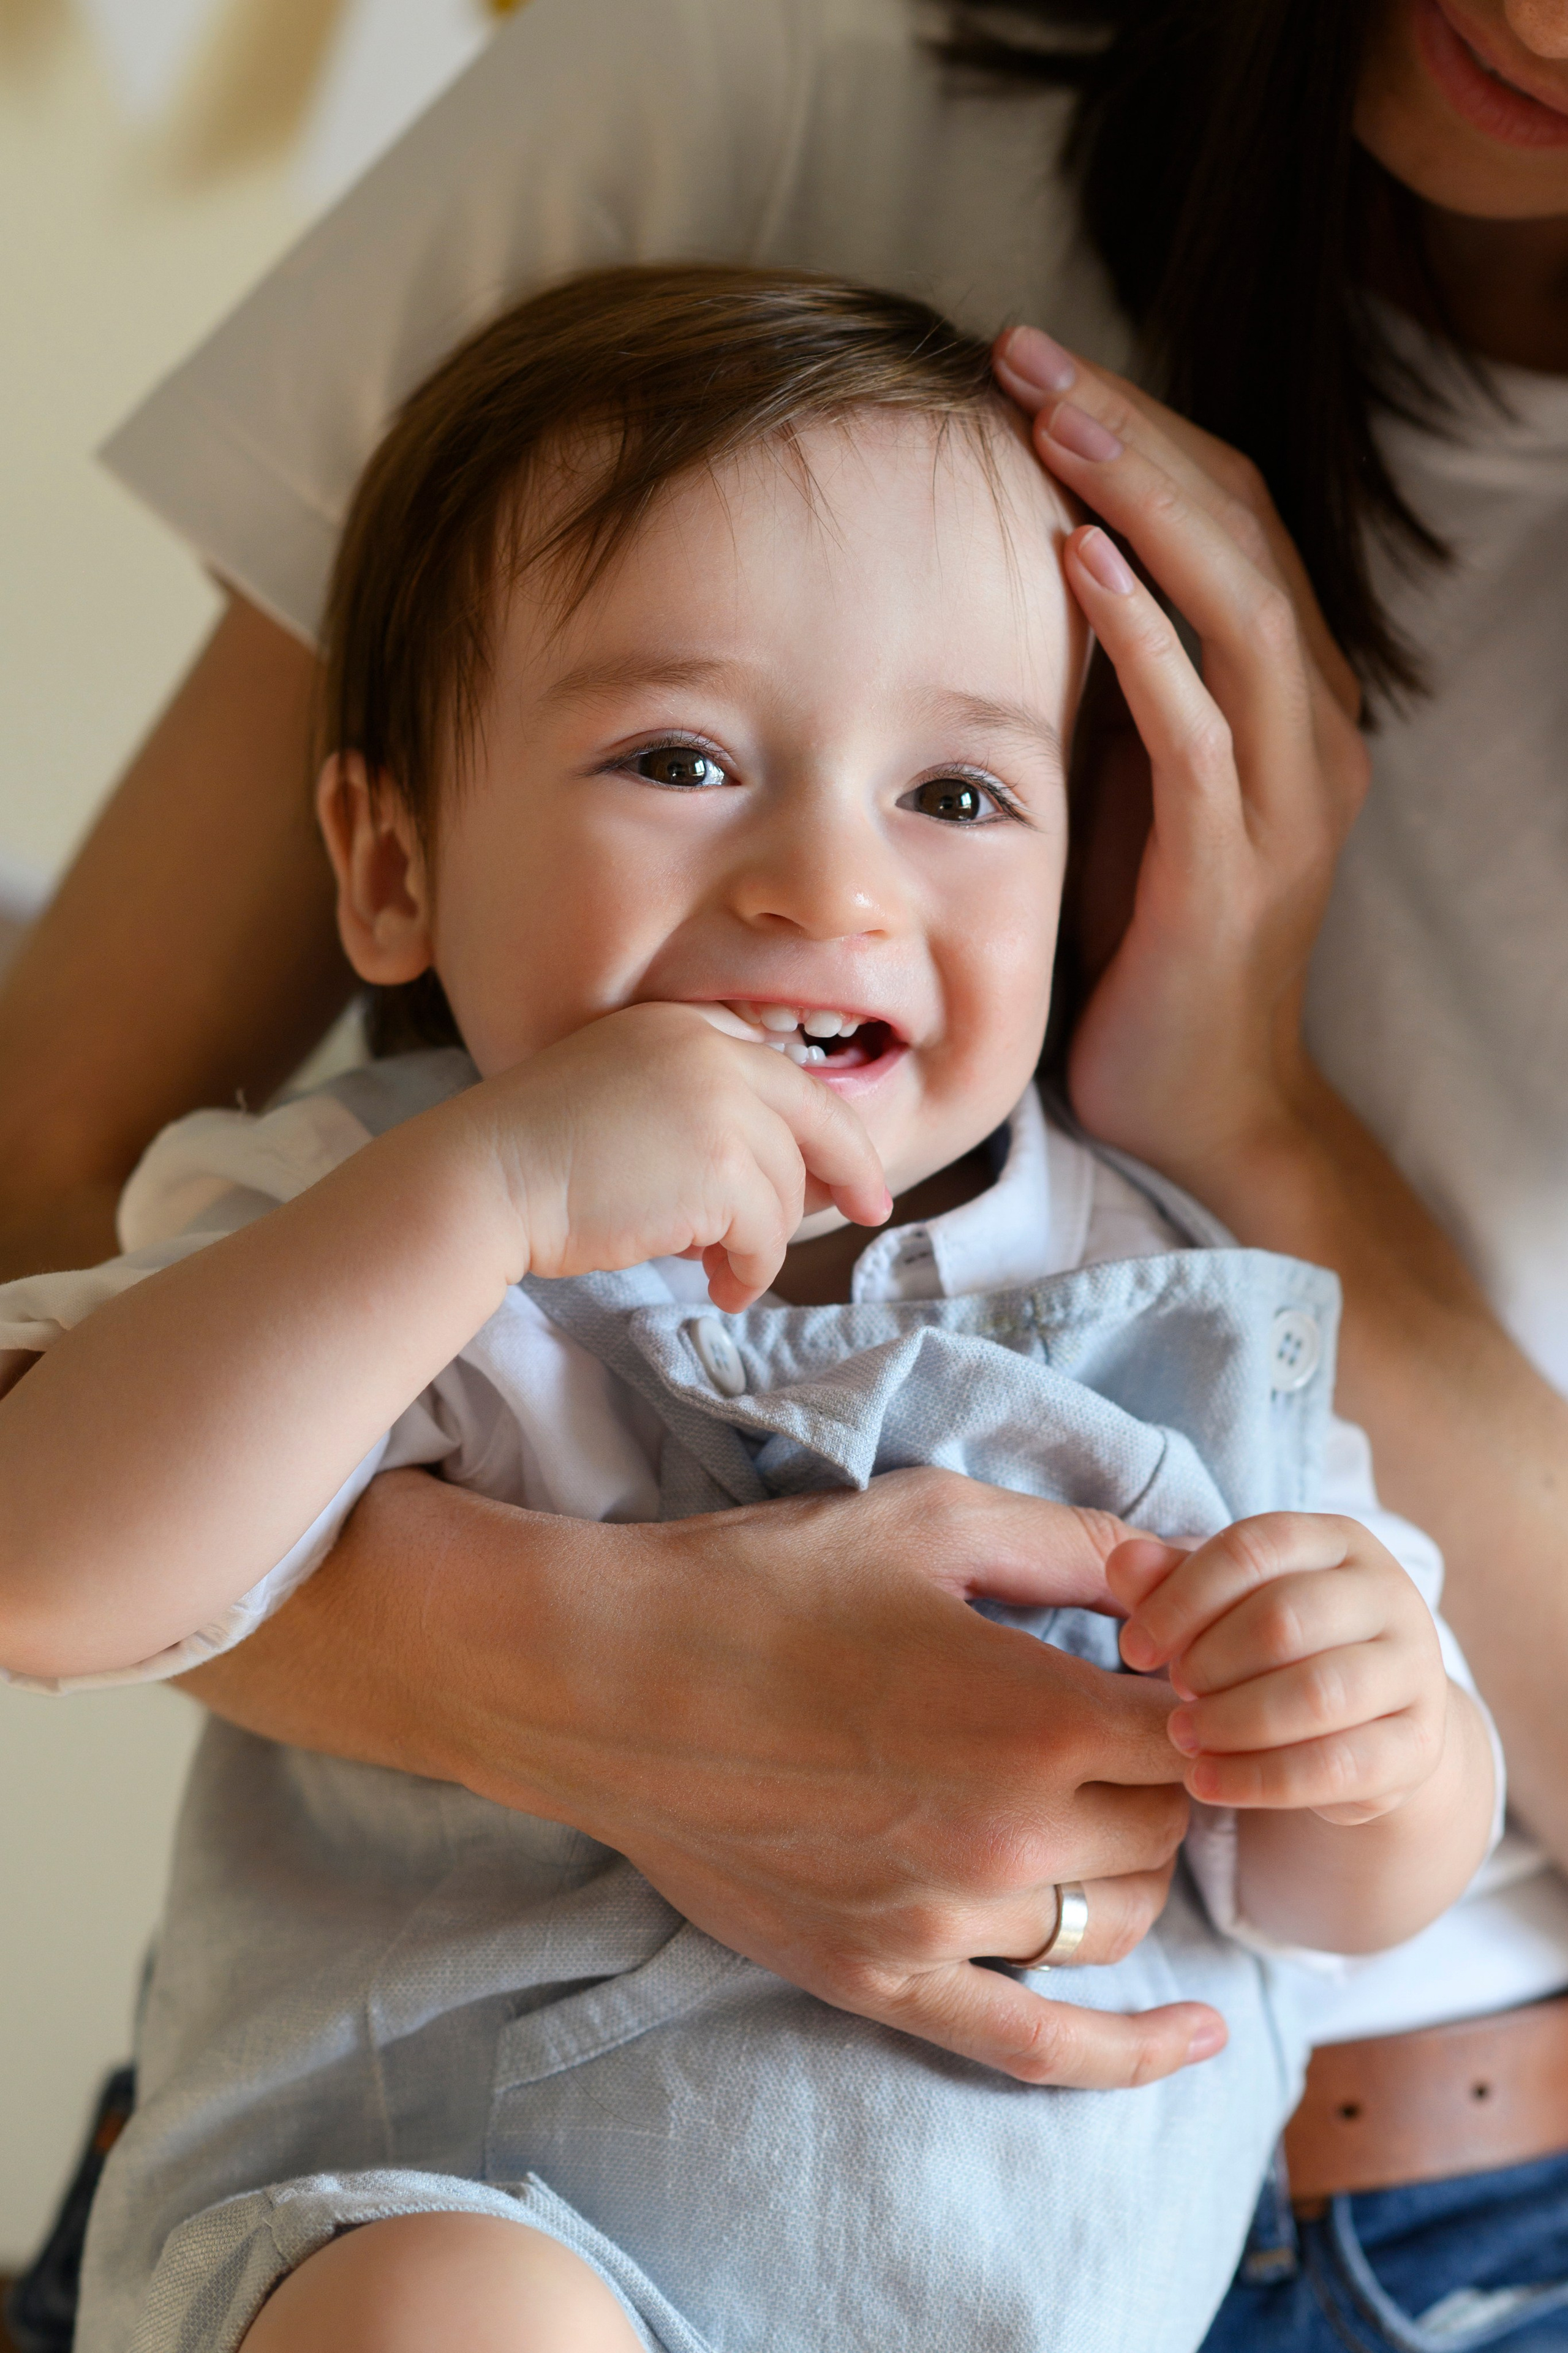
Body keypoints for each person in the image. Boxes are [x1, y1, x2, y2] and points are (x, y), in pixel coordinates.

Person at [4, 0, 1568, 2342]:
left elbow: (1340, 1872)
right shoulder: (371, 1218)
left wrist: (1379, 1733)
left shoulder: (1170, 1302)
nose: (827, 885)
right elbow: (41, 1548)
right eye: (678, 755)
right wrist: (487, 1213)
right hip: (479, 2188)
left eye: (957, 798)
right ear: (391, 864)